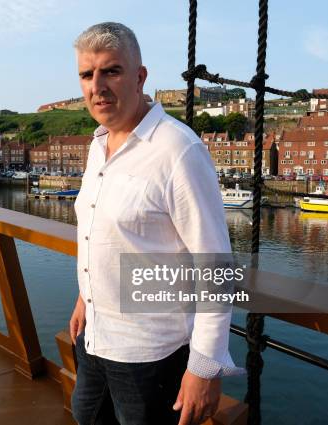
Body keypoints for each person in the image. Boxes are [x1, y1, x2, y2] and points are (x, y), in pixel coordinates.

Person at [69, 22, 244, 425]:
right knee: (85, 416)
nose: (97, 85)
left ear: (140, 77)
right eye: (86, 74)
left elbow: (216, 269)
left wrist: (204, 367)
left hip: (150, 357)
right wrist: (85, 297)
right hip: (94, 338)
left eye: (111, 70)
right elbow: (103, 233)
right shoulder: (99, 144)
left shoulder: (178, 150)